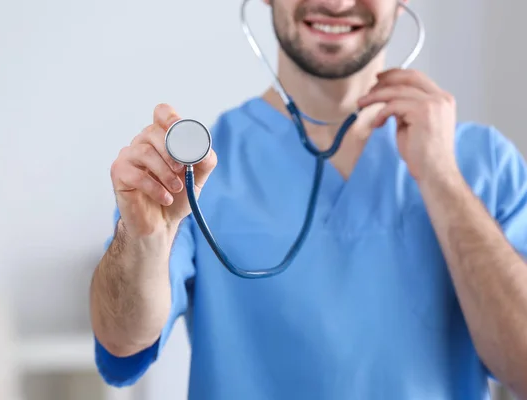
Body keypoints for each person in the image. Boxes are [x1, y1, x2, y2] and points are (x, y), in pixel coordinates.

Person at [89, 0, 527, 398]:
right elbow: (122, 337)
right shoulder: (191, 174)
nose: (336, 4)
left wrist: (443, 179)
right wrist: (142, 237)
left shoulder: (482, 163)